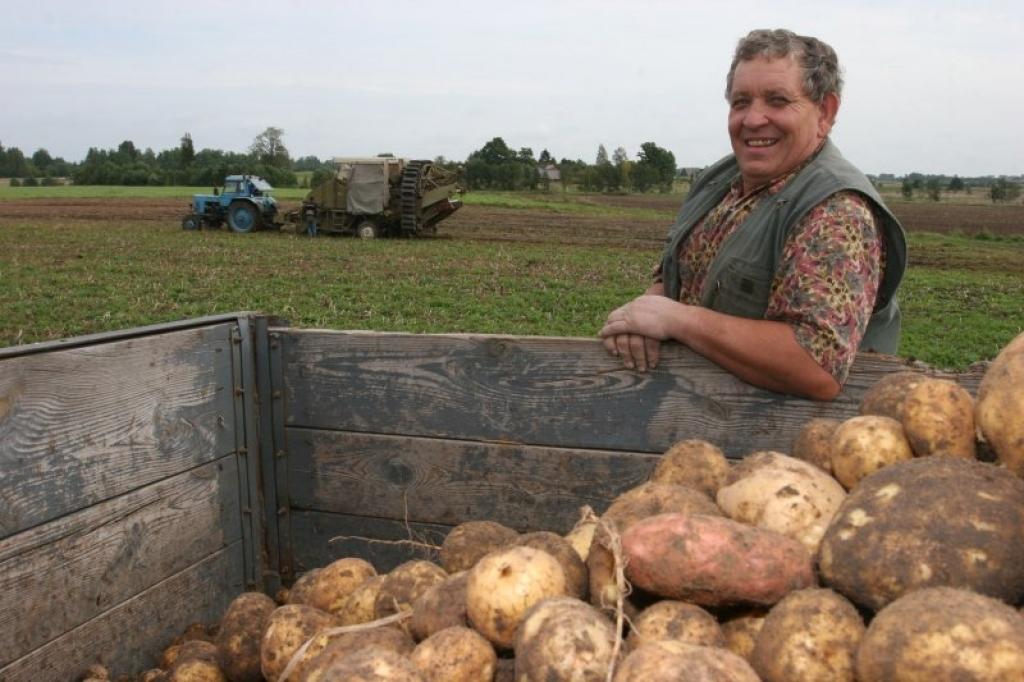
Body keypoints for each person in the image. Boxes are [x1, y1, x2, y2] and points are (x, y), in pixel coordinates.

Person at [600, 28, 906, 401]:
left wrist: (677, 320)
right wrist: (643, 316)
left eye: (777, 101)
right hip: (703, 410)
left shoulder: (837, 210)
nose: (753, 119)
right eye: (741, 102)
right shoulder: (721, 180)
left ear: (825, 112)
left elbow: (816, 365)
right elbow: (675, 274)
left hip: (797, 429)